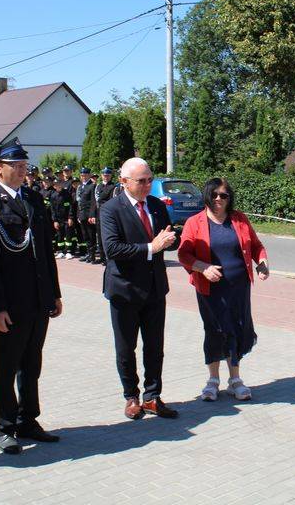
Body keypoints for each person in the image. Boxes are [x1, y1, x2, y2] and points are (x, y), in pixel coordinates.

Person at [0, 138, 63, 455]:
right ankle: (4, 425)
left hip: (38, 298)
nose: (24, 171)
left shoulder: (33, 199)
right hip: (9, 302)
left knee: (31, 363)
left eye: (24, 165)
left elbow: (45, 251)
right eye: (17, 166)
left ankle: (28, 419)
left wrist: (54, 293)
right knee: (6, 366)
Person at [100, 157, 180, 419]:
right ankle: (131, 396)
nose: (147, 185)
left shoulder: (156, 205)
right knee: (126, 348)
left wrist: (172, 239)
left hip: (155, 288)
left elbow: (168, 237)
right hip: (125, 289)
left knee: (155, 346)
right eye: (141, 181)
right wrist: (151, 248)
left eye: (150, 180)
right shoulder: (111, 209)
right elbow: (112, 249)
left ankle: (152, 396)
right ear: (123, 181)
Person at [178, 178, 270, 401]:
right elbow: (184, 254)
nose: (219, 199)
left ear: (230, 198)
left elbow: (256, 246)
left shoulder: (239, 219)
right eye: (214, 194)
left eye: (224, 195)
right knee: (215, 330)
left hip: (238, 287)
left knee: (236, 328)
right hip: (209, 288)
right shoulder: (194, 222)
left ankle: (235, 380)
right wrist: (203, 268)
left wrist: (262, 262)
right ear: (207, 196)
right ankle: (213, 380)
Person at [93, 167, 116, 264]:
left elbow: (111, 200)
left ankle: (107, 258)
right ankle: (102, 257)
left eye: (108, 175)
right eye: (104, 175)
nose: (106, 177)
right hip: (98, 214)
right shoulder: (98, 186)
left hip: (107, 214)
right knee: (99, 236)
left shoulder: (113, 186)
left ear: (110, 176)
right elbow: (95, 201)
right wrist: (92, 215)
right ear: (101, 175)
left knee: (108, 236)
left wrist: (102, 201)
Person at [76, 167, 98, 263]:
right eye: (82, 175)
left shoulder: (92, 186)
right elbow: (79, 202)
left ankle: (92, 255)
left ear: (89, 175)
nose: (83, 177)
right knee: (85, 235)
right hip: (82, 215)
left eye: (85, 175)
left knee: (91, 235)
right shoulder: (80, 187)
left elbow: (93, 202)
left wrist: (92, 215)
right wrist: (78, 215)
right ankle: (88, 254)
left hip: (89, 215)